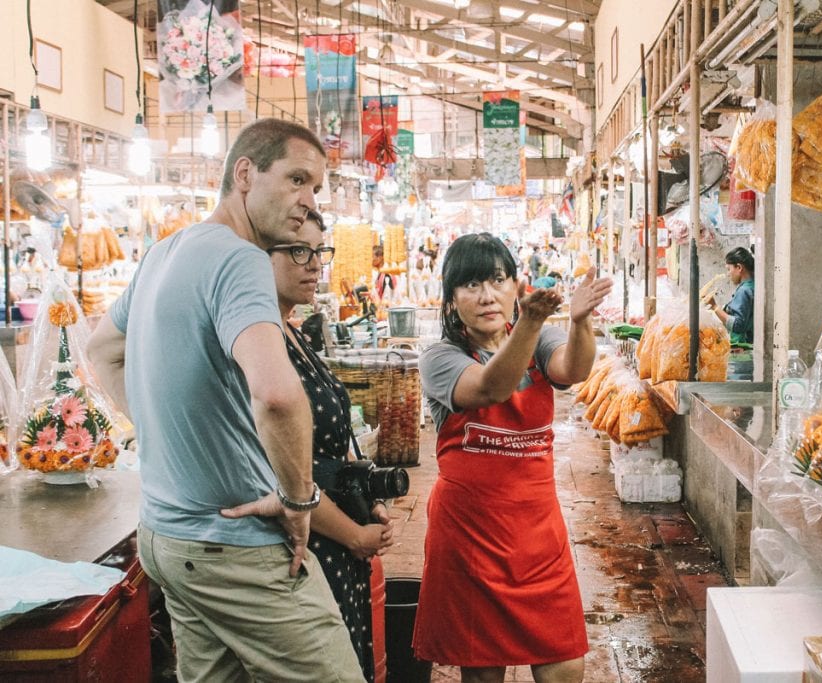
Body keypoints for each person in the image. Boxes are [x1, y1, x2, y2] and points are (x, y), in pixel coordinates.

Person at [87, 118, 365, 682]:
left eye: (315, 189)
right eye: (296, 180)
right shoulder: (240, 259)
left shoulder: (165, 252)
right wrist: (299, 500)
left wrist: (165, 428)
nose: (307, 202)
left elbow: (102, 350)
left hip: (167, 540)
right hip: (237, 551)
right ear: (244, 173)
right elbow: (279, 396)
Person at [412, 233, 613, 683]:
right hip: (471, 538)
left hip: (539, 536)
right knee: (482, 673)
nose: (487, 296)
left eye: (498, 280)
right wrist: (528, 323)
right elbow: (489, 387)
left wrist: (579, 322)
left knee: (564, 666)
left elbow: (572, 369)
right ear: (451, 299)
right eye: (471, 285)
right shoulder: (440, 358)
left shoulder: (543, 339)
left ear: (514, 285)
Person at [267, 210, 395, 682]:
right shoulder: (260, 346)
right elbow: (281, 470)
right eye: (299, 251)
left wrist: (370, 499)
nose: (314, 264)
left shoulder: (294, 333)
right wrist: (353, 534)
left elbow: (336, 442)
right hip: (310, 546)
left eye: (320, 252)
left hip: (338, 542)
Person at [703, 246, 755, 380]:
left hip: (743, 353)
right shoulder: (751, 286)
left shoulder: (744, 291)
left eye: (729, 269)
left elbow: (738, 324)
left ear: (739, 267)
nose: (728, 274)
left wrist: (715, 307)